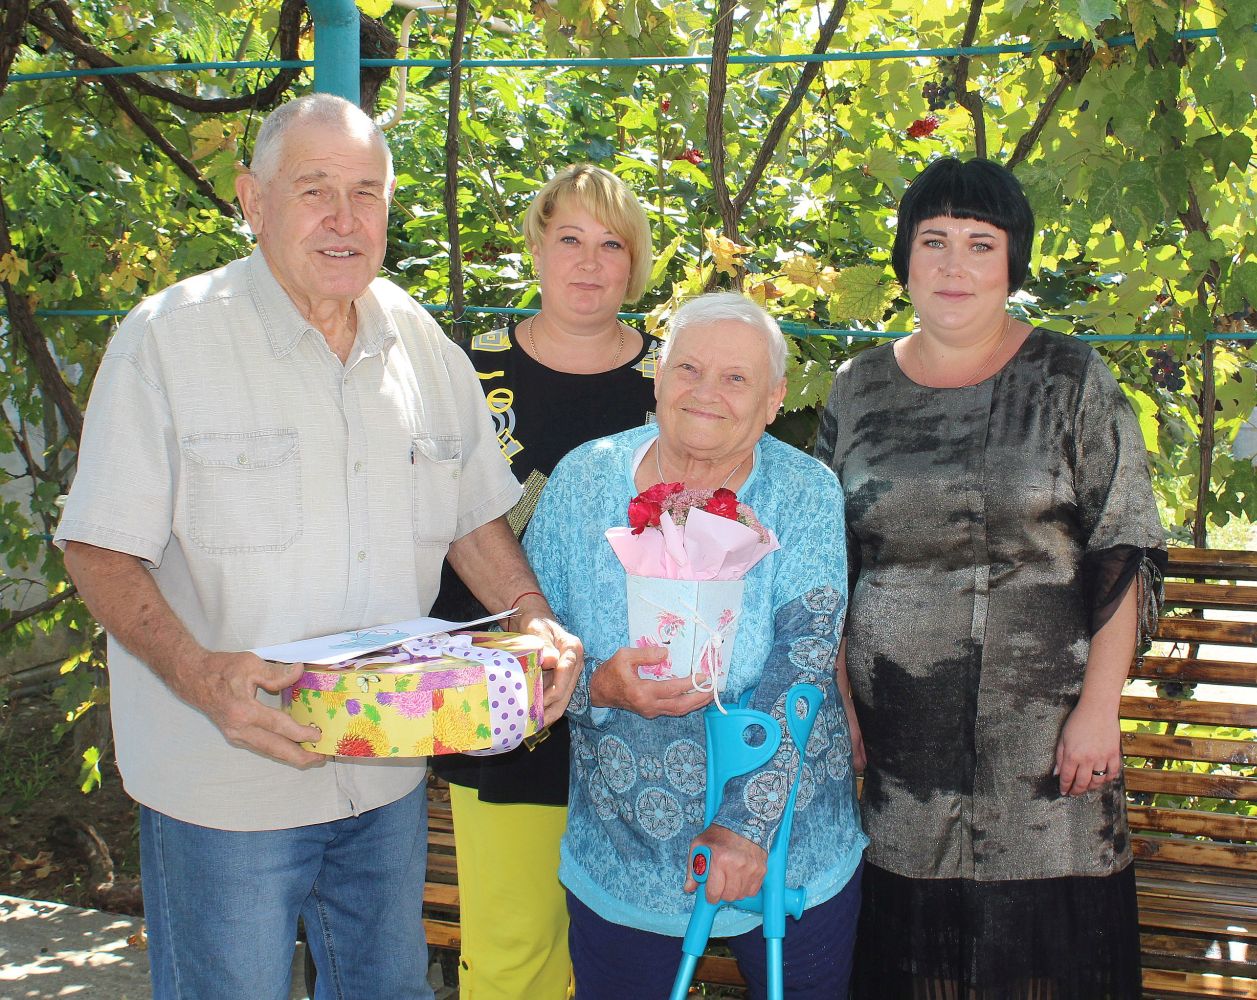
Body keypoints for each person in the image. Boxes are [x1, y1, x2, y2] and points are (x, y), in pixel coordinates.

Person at [53, 93, 580, 1000]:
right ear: (252, 200)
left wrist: (532, 618)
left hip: (383, 777)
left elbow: (471, 518)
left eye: (366, 193)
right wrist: (199, 674)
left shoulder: (420, 344)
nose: (344, 218)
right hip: (227, 783)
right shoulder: (169, 342)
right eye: (314, 190)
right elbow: (97, 549)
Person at [814, 156, 1166, 999]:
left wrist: (1098, 711)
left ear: (1012, 263)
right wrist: (839, 701)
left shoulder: (1070, 378)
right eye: (933, 240)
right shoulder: (856, 389)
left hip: (1048, 749)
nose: (953, 264)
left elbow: (1125, 547)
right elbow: (825, 563)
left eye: (980, 243)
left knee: (1047, 964)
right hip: (900, 750)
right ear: (904, 258)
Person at [523, 292, 867, 999]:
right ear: (657, 377)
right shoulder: (583, 479)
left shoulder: (804, 491)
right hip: (623, 849)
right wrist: (596, 689)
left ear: (773, 400)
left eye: (736, 378)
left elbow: (803, 663)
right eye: (688, 369)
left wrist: (744, 828)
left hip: (789, 845)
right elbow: (531, 644)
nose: (707, 392)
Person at [429, 164, 659, 999]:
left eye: (611, 245)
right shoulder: (466, 372)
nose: (589, 263)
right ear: (535, 247)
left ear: (635, 265)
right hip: (504, 705)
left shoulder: (675, 381)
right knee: (512, 950)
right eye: (569, 239)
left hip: (644, 715)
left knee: (628, 956)